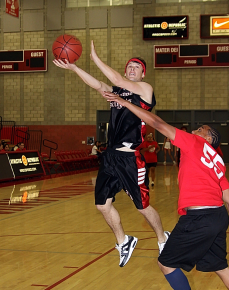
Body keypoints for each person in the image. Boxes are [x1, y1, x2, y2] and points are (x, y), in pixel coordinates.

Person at [103, 90, 229, 290]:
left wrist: (124, 102)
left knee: (165, 263)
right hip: (217, 217)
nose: (196, 130)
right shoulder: (217, 163)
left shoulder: (195, 143)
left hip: (199, 218)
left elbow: (156, 122)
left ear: (208, 138)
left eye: (201, 129)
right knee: (219, 264)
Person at [53, 41, 169, 267]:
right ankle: (124, 241)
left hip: (130, 158)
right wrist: (75, 68)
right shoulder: (116, 91)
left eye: (137, 67)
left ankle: (163, 239)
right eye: (129, 66)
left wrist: (95, 58)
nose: (132, 68)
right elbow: (97, 84)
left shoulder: (146, 90)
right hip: (111, 157)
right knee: (102, 204)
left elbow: (116, 80)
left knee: (142, 206)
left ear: (143, 73)